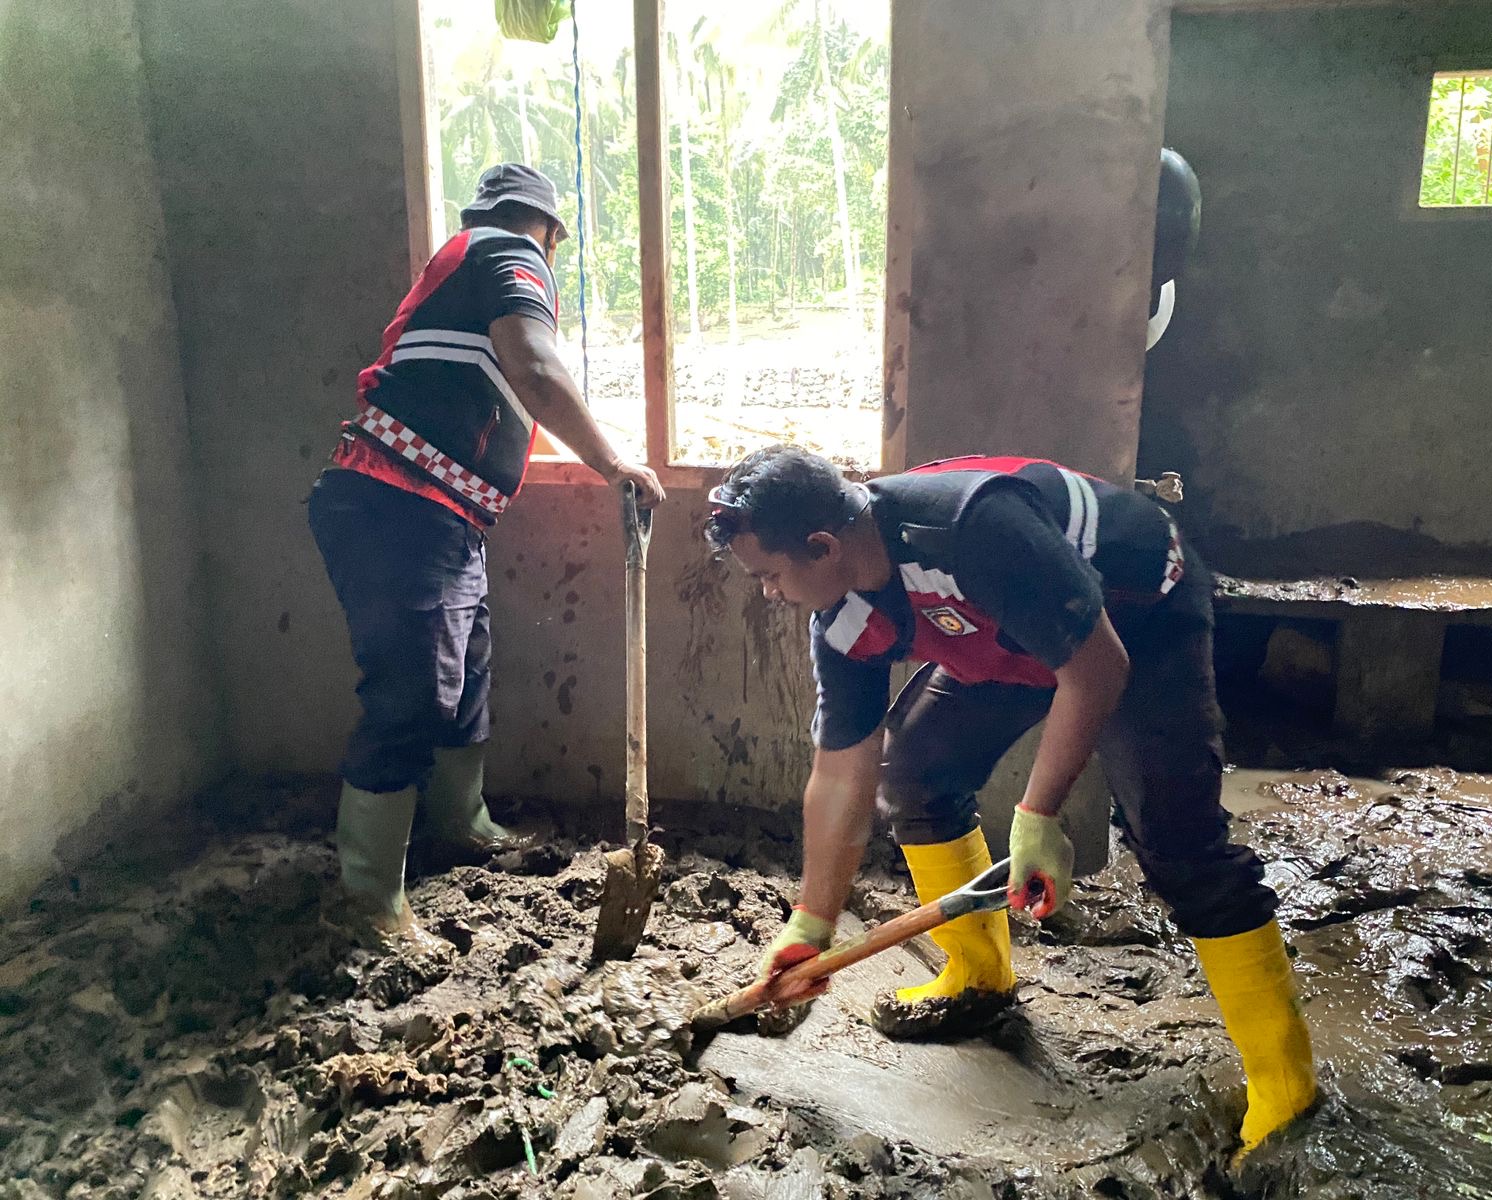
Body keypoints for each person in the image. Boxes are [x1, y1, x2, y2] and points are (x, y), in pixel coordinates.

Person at [702, 447, 1316, 1159]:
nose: (769, 594)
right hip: (1012, 635)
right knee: (918, 768)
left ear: (822, 546)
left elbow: (1097, 667)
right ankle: (978, 975)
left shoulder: (971, 530)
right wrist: (812, 922)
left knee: (1177, 841)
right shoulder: (842, 619)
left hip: (1137, 618)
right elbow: (841, 773)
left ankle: (1284, 1082)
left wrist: (1037, 816)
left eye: (770, 575)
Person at [309, 163, 664, 951]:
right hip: (398, 509)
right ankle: (371, 898)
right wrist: (612, 464)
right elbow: (535, 368)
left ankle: (461, 821)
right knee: (410, 696)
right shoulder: (508, 251)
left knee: (463, 676)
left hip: (435, 516)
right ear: (550, 232)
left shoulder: (468, 261)